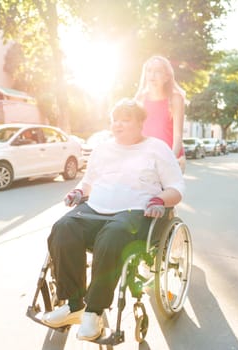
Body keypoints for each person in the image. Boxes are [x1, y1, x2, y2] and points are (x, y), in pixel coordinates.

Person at [41, 98, 185, 341]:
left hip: (136, 211)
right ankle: (75, 305)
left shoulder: (156, 148)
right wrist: (78, 191)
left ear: (140, 122)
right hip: (96, 207)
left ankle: (94, 313)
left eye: (125, 120)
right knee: (63, 227)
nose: (118, 125)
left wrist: (159, 200)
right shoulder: (103, 148)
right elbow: (88, 182)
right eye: (114, 120)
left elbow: (176, 188)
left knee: (112, 235)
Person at [134, 55, 187, 172]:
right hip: (145, 160)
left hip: (171, 157)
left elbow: (178, 136)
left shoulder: (175, 99)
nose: (152, 75)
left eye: (157, 71)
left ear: (167, 76)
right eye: (149, 70)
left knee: (166, 190)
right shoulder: (140, 99)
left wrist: (171, 162)